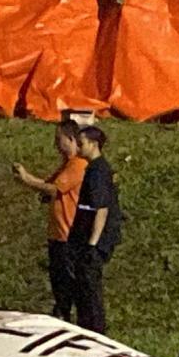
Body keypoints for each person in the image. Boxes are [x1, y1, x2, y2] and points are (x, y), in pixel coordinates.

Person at [13, 120, 87, 322]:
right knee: (58, 278)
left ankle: (69, 315)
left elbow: (55, 189)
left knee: (67, 278)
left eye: (59, 139)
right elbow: (49, 186)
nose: (56, 145)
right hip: (57, 233)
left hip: (68, 233)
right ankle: (61, 310)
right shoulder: (66, 166)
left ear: (71, 139)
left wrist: (28, 179)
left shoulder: (78, 165)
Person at [68, 126, 122, 334]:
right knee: (84, 288)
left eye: (81, 144)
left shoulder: (98, 172)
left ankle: (94, 331)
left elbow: (101, 210)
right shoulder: (94, 169)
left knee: (90, 289)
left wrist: (92, 244)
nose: (79, 148)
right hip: (88, 239)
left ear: (94, 144)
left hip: (94, 242)